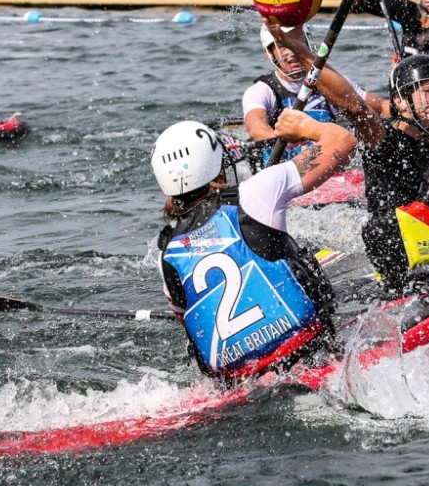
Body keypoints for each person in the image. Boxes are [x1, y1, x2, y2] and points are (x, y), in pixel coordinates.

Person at [267, 23, 429, 297]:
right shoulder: (384, 143)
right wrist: (301, 50)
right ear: (401, 101)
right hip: (402, 277)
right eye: (428, 91)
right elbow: (352, 105)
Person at [150, 110, 357, 382]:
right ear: (217, 164)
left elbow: (190, 323)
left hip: (241, 384)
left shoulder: (166, 252)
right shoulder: (255, 192)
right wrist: (305, 126)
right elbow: (343, 140)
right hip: (311, 355)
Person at [242, 23, 387, 172]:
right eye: (282, 46)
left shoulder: (330, 83)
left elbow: (380, 106)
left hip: (328, 171)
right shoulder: (261, 90)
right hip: (287, 172)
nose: (291, 51)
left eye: (294, 42)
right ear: (270, 54)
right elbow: (256, 128)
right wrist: (286, 138)